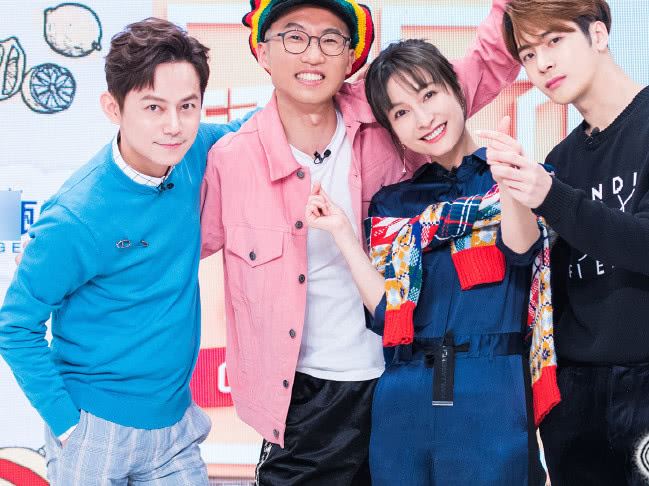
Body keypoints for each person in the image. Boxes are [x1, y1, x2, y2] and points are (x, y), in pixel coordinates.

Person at [199, 0, 521, 483]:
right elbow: (172, 251)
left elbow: (486, 61)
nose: (313, 54)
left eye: (331, 39)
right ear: (263, 52)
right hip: (306, 399)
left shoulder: (388, 113)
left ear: (350, 56)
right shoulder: (231, 159)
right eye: (293, 36)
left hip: (405, 381)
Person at [488, 0, 649, 483]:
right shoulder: (561, 159)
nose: (542, 64)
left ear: (598, 34)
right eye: (529, 54)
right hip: (579, 395)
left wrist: (549, 194)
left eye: (554, 41)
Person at [0, 18, 249, 485]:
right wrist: (67, 426)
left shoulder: (194, 151)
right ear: (113, 108)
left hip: (175, 427)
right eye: (153, 107)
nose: (174, 126)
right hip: (94, 429)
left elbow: (254, 129)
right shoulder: (75, 216)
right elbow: (16, 327)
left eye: (187, 106)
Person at [305, 38, 548, 485]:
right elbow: (386, 313)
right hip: (405, 397)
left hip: (491, 392)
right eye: (401, 113)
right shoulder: (394, 204)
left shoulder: (517, 178)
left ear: (455, 88)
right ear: (392, 129)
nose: (423, 119)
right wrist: (342, 232)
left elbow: (521, 250)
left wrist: (509, 183)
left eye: (428, 94)